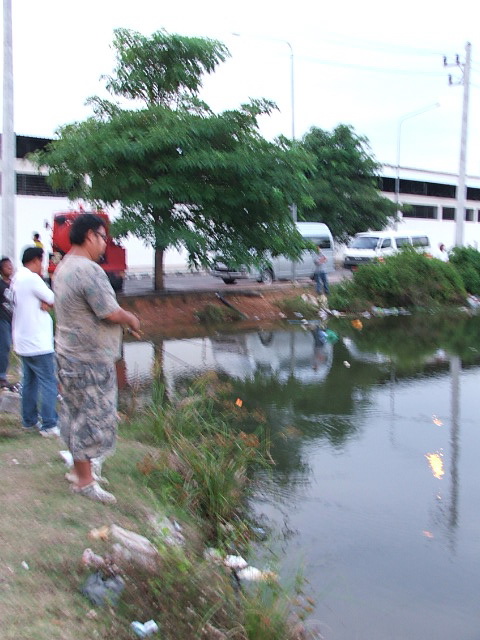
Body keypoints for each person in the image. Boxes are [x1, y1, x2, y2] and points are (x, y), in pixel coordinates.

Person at [54, 213, 140, 504]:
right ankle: (85, 483)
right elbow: (110, 311)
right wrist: (132, 319)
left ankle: (81, 473)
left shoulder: (64, 266)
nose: (105, 244)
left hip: (69, 355)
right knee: (92, 418)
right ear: (90, 235)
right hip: (89, 360)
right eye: (104, 237)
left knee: (75, 414)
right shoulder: (88, 271)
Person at [10, 247, 59, 436]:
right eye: (42, 261)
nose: (43, 266)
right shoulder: (31, 278)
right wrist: (48, 302)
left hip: (23, 340)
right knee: (48, 382)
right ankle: (49, 424)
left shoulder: (17, 278)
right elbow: (53, 298)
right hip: (38, 342)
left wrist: (46, 302)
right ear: (36, 260)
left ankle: (29, 420)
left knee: (29, 382)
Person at [0, 257, 14, 389]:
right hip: (3, 320)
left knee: (10, 347)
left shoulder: (15, 284)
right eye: (6, 266)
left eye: (11, 266)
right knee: (4, 347)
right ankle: (2, 376)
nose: (10, 268)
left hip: (14, 320)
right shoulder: (1, 285)